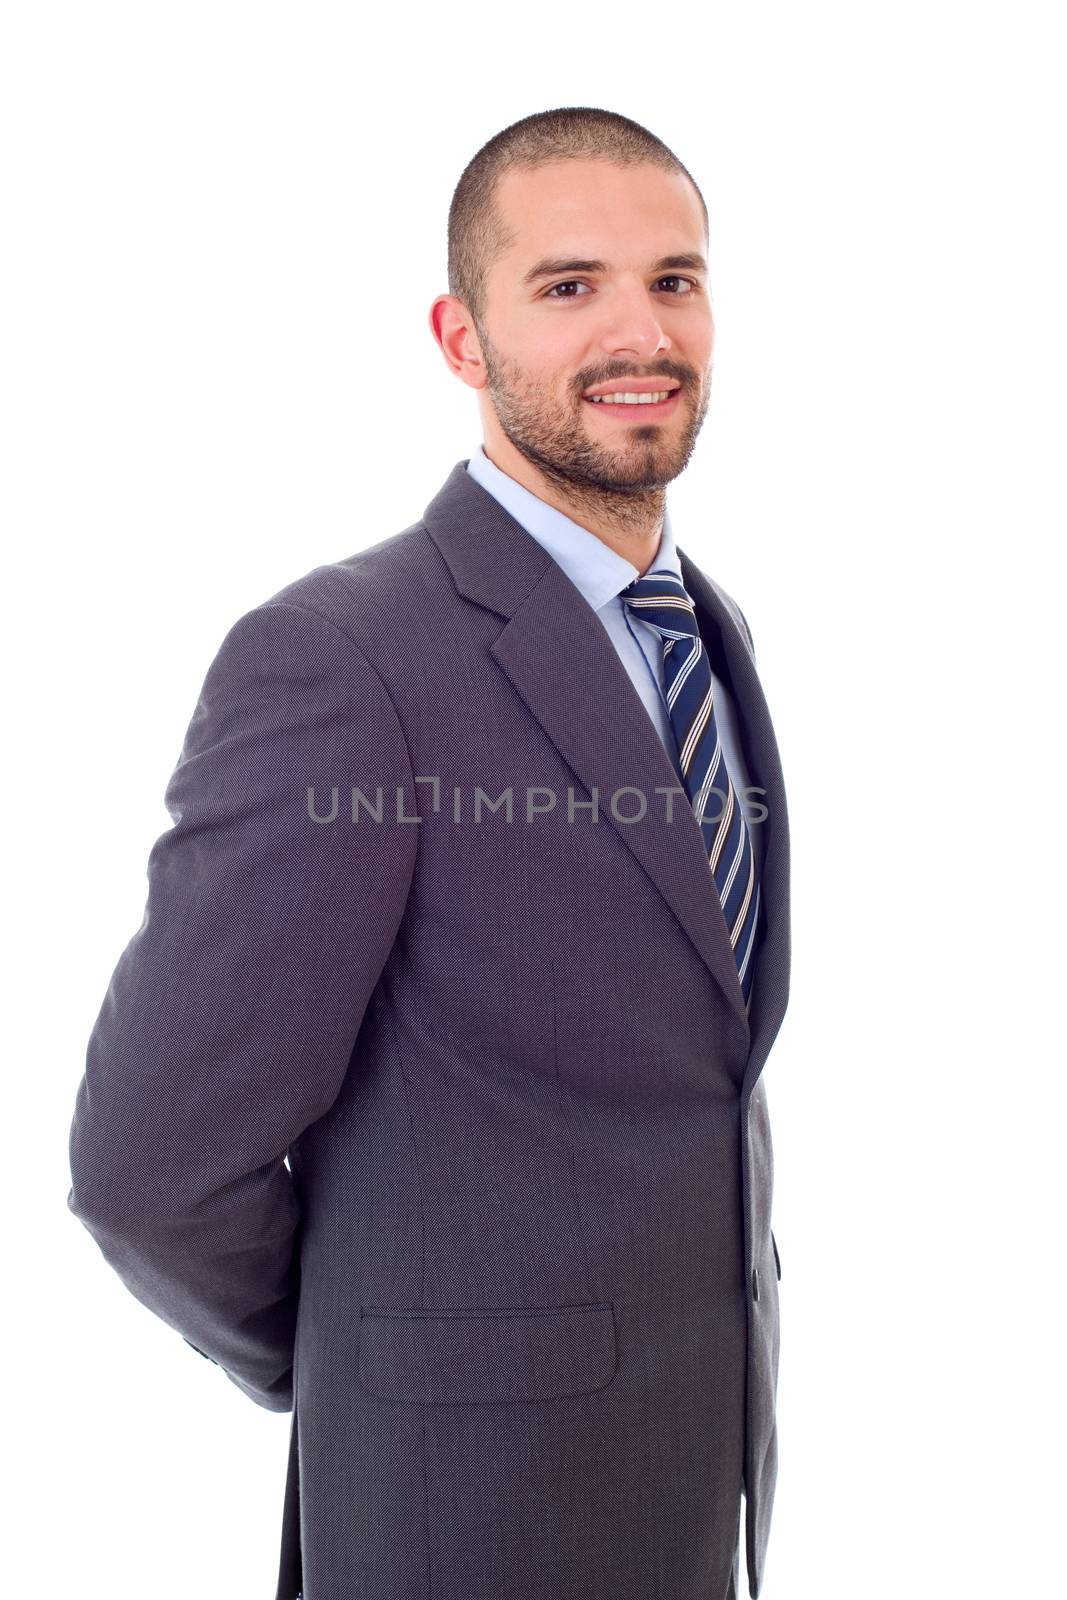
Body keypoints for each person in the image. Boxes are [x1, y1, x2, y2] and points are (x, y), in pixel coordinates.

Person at [67, 105, 791, 1600]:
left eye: (676, 278)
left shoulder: (707, 634)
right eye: (569, 284)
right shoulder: (341, 662)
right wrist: (362, 1346)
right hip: (459, 1510)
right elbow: (149, 1164)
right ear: (463, 340)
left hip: (689, 1489)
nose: (641, 329)